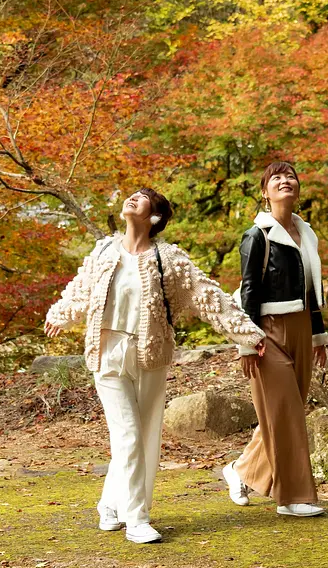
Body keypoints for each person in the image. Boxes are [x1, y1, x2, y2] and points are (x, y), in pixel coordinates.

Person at [44, 188, 265, 544]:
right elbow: (80, 290)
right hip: (107, 352)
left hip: (151, 354)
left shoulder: (169, 259)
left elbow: (208, 297)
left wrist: (247, 334)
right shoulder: (103, 250)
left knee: (143, 437)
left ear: (155, 217)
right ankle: (137, 518)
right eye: (131, 195)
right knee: (128, 434)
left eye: (142, 198)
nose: (132, 198)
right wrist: (60, 314)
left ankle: (110, 505)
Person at [223, 162, 328, 517]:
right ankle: (292, 497)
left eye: (291, 176)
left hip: (301, 327)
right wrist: (246, 343)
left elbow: (314, 289)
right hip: (266, 330)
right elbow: (248, 291)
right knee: (287, 414)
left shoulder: (307, 233)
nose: (285, 181)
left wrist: (318, 336)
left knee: (288, 411)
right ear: (265, 192)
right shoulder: (257, 235)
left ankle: (241, 470)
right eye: (275, 179)